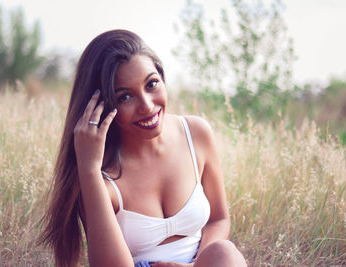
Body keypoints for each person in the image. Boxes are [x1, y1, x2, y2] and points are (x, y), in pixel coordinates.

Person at [39, 29, 247, 267]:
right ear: (100, 106)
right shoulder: (101, 176)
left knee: (225, 253)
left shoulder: (196, 133)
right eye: (125, 97)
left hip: (200, 263)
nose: (147, 107)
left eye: (151, 84)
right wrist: (89, 170)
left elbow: (218, 219)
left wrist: (194, 265)